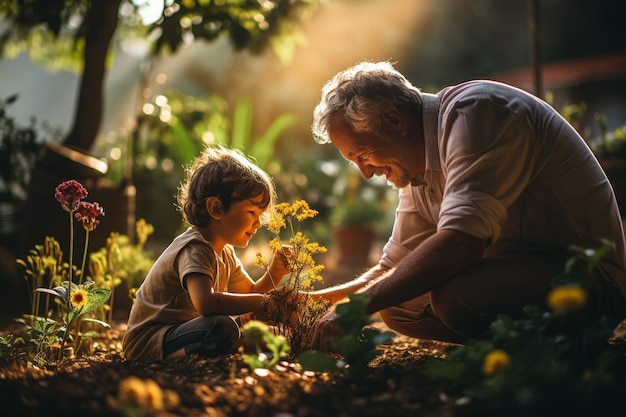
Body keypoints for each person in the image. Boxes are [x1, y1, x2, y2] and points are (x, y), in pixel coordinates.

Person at [310, 61, 626, 349]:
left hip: (589, 280)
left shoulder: (479, 113)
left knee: (455, 299)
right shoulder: (417, 167)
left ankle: (546, 354)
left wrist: (354, 307)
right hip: (523, 278)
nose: (365, 173)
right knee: (396, 305)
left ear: (393, 120)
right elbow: (392, 269)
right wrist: (304, 303)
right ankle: (518, 349)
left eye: (363, 155)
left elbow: (461, 243)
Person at [123, 146, 291, 361]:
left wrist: (274, 273)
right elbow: (207, 303)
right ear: (216, 208)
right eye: (251, 212)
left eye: (260, 215)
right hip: (149, 341)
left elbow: (249, 291)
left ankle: (227, 345)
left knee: (244, 322)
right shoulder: (195, 247)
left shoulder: (225, 252)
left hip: (185, 331)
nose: (258, 223)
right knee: (224, 326)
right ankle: (176, 358)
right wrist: (264, 303)